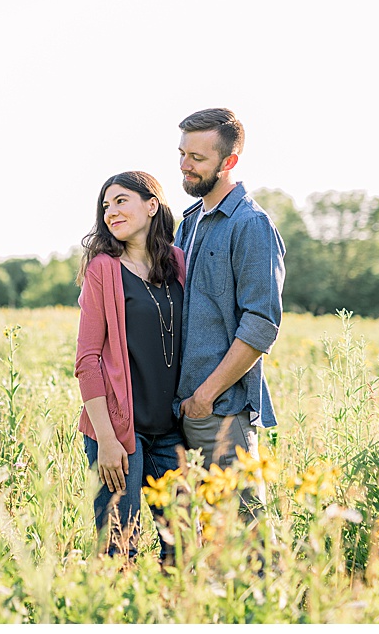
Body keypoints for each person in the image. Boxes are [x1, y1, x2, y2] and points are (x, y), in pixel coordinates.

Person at [173, 108, 285, 534]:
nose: (185, 165)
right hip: (178, 411)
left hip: (221, 411)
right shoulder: (188, 223)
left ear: (229, 162)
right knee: (190, 540)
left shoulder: (251, 225)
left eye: (197, 158)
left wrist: (205, 395)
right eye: (182, 153)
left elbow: (261, 325)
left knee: (246, 543)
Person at [74, 171, 187, 562]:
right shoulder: (102, 269)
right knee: (120, 549)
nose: (111, 212)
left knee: (184, 545)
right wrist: (106, 439)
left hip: (171, 430)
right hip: (119, 432)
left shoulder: (178, 263)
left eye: (121, 200)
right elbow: (87, 361)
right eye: (106, 205)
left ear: (151, 204)